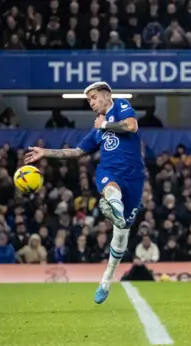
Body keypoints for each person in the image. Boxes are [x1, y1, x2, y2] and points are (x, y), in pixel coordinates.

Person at [25, 81, 145, 304]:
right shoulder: (96, 129)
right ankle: (112, 206)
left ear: (107, 95)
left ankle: (106, 280)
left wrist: (105, 126)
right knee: (110, 188)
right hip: (110, 171)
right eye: (88, 100)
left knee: (121, 237)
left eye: (94, 98)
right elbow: (77, 151)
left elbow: (131, 126)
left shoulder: (120, 106)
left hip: (135, 176)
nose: (91, 103)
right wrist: (45, 152)